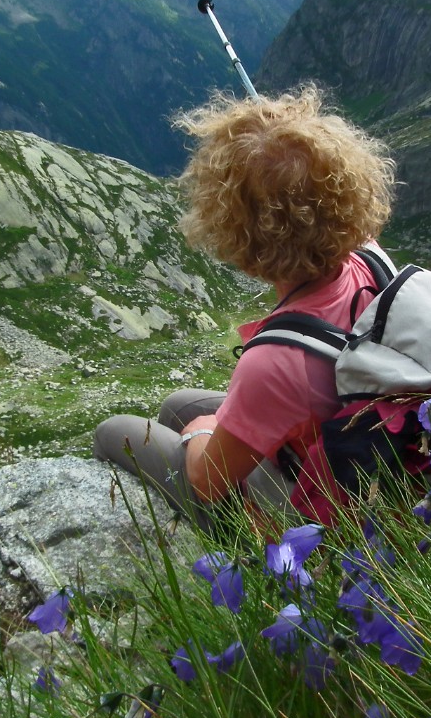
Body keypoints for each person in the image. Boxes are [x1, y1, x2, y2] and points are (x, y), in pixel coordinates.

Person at [92, 85, 396, 533]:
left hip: (323, 524)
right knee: (178, 404)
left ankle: (241, 550)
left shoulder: (274, 361)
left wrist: (202, 433)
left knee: (114, 431)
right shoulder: (372, 257)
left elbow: (207, 479)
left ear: (237, 233)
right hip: (363, 457)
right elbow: (317, 207)